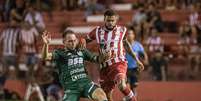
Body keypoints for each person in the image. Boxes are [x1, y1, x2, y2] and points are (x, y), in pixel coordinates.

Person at [84, 9, 144, 101]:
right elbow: (84, 41)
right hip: (104, 67)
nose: (110, 23)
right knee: (107, 96)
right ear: (104, 19)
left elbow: (126, 44)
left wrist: (137, 60)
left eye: (112, 20)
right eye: (108, 20)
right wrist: (81, 41)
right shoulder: (97, 31)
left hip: (118, 63)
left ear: (116, 20)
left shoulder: (122, 30)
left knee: (122, 85)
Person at [41, 30, 109, 101]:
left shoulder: (82, 50)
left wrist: (103, 57)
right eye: (70, 41)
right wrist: (46, 44)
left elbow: (97, 59)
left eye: (74, 40)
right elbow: (45, 57)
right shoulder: (60, 53)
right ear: (64, 42)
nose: (73, 43)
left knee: (101, 95)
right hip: (71, 89)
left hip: (86, 84)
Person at [125, 27, 148, 95]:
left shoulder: (138, 45)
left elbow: (143, 53)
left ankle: (133, 97)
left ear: (134, 35)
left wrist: (146, 59)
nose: (130, 35)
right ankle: (129, 97)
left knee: (134, 85)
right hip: (125, 67)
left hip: (135, 67)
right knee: (126, 85)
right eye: (128, 34)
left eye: (131, 33)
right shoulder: (123, 45)